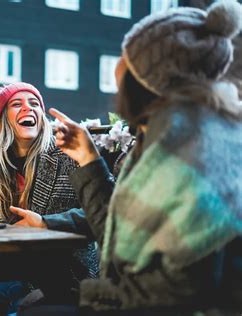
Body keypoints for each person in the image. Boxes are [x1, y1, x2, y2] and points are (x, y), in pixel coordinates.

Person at [12, 1, 242, 314]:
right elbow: (123, 225)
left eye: (125, 63)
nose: (115, 77)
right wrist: (89, 162)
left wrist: (92, 296)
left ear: (148, 81)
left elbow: (173, 297)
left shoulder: (190, 160)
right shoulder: (177, 133)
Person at [0, 82, 99, 311]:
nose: (28, 108)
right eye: (17, 104)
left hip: (67, 277)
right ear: (3, 119)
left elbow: (102, 213)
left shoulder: (68, 156)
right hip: (11, 276)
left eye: (34, 104)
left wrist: (46, 223)